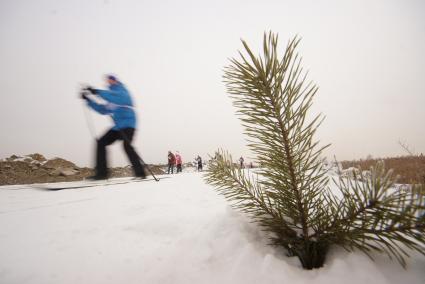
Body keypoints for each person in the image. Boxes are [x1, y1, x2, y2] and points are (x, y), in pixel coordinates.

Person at [81, 75, 146, 180]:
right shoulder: (110, 96)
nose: (109, 81)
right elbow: (101, 109)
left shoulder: (123, 91)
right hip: (118, 127)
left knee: (127, 146)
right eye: (108, 80)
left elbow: (116, 97)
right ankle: (102, 174)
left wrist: (96, 91)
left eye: (111, 79)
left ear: (116, 81)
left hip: (129, 124)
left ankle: (140, 173)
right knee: (101, 142)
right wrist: (88, 100)